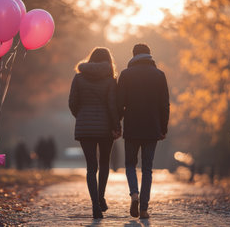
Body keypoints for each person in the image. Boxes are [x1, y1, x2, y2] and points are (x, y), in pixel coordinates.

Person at [117, 43, 170, 219]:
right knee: (147, 168)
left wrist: (117, 125)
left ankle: (134, 195)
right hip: (152, 127)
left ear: (133, 56)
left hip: (132, 127)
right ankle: (144, 209)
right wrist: (163, 128)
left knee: (130, 164)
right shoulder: (159, 75)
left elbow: (119, 103)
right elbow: (164, 104)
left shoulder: (125, 75)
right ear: (149, 55)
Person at [69, 47, 121, 219]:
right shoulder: (110, 79)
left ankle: (95, 206)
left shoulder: (78, 77)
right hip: (105, 127)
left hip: (85, 127)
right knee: (104, 163)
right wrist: (116, 125)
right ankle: (100, 197)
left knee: (91, 167)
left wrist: (82, 116)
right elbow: (113, 105)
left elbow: (72, 103)